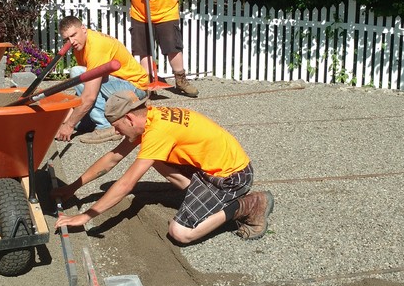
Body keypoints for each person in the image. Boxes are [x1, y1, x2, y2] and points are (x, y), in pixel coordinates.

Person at [53, 90, 274, 243]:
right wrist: (73, 187)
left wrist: (86, 216)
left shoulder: (157, 133)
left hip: (231, 178)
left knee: (180, 233)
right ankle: (197, 195)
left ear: (129, 118)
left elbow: (127, 183)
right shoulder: (151, 118)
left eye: (117, 126)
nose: (117, 132)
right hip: (209, 168)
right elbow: (113, 158)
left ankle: (249, 204)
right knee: (154, 158)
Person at [56, 16, 151, 144]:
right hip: (118, 86)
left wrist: (68, 126)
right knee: (80, 125)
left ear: (83, 28)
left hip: (135, 88)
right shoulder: (81, 46)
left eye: (73, 35)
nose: (71, 41)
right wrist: (62, 124)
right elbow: (83, 89)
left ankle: (105, 126)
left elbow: (89, 96)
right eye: (67, 39)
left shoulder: (96, 46)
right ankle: (106, 121)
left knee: (76, 72)